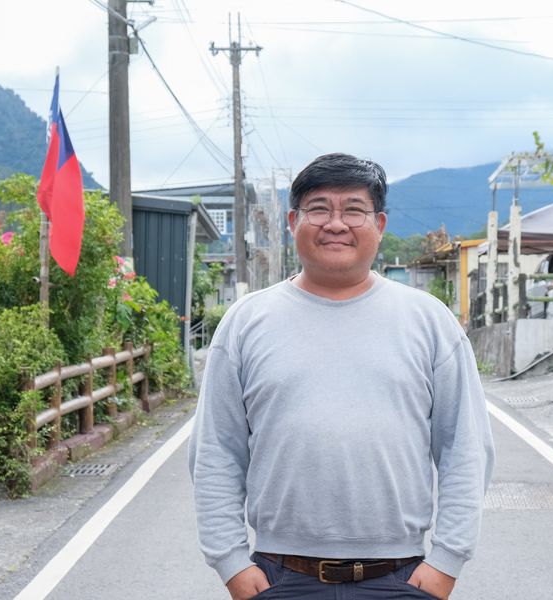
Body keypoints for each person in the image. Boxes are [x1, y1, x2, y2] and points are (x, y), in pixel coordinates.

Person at [188, 153, 494, 600]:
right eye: (318, 209)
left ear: (379, 224)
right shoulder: (246, 321)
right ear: (293, 221)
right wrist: (231, 562)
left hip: (400, 579)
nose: (335, 223)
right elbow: (216, 451)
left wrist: (446, 561)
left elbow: (465, 448)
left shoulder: (428, 321)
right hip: (280, 578)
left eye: (353, 210)